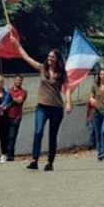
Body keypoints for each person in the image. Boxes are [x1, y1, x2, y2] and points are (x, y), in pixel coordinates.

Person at [10, 35, 73, 171]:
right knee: (38, 131)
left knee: (52, 135)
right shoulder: (42, 68)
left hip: (56, 107)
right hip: (42, 106)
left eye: (52, 57)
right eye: (49, 57)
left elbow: (67, 88)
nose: (49, 59)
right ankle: (34, 159)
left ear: (57, 59)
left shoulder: (62, 73)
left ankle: (50, 161)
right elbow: (26, 58)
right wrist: (17, 45)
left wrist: (68, 103)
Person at [87, 67, 104, 161]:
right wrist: (92, 99)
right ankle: (100, 153)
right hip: (96, 111)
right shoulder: (95, 86)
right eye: (101, 74)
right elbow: (90, 96)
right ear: (99, 75)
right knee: (98, 133)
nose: (103, 76)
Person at [4, 74, 27, 162]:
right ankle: (8, 153)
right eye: (17, 80)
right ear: (14, 80)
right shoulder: (8, 90)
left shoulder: (23, 92)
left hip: (16, 117)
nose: (19, 82)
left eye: (20, 80)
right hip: (7, 116)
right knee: (6, 136)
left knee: (12, 136)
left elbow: (19, 100)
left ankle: (10, 155)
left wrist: (11, 97)